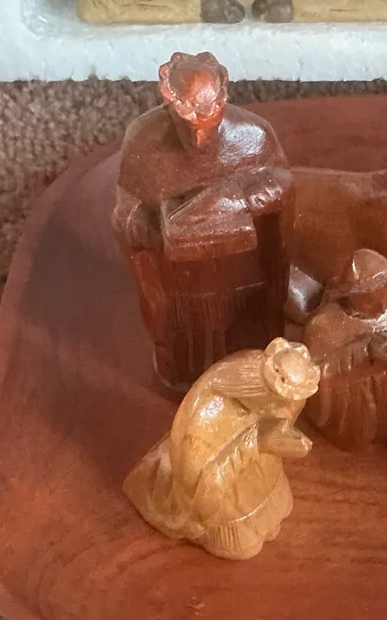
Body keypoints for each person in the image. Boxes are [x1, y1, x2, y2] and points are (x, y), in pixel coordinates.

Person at [113, 52, 292, 391]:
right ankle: (188, 381)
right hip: (179, 280)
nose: (199, 125)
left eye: (211, 110)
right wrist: (146, 225)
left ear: (224, 95)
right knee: (186, 345)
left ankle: (252, 382)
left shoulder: (253, 134)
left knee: (247, 336)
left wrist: (233, 197)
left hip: (242, 271)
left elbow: (282, 185)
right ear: (169, 99)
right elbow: (127, 203)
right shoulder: (144, 138)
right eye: (189, 112)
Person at [123, 338, 320, 560]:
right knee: (246, 547)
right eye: (282, 402)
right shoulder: (201, 428)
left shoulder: (281, 404)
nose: (286, 411)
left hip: (262, 484)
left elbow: (283, 419)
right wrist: (254, 442)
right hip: (227, 508)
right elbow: (203, 494)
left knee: (282, 509)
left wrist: (280, 439)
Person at [301, 249, 387, 450]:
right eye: (370, 302)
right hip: (358, 410)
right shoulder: (324, 324)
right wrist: (364, 352)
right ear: (351, 295)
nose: (383, 308)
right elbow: (313, 374)